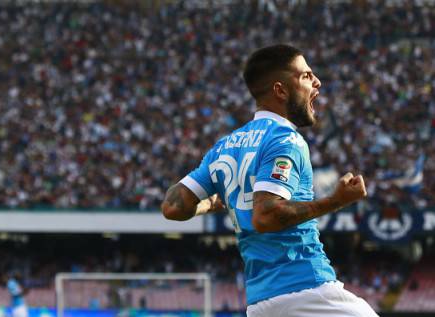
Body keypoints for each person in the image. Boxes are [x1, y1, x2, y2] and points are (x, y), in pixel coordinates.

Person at [161, 44, 379, 317]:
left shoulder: (224, 147)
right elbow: (265, 216)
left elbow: (172, 206)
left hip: (260, 303)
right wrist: (336, 201)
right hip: (307, 291)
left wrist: (212, 203)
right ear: (280, 90)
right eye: (305, 76)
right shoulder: (285, 139)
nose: (317, 82)